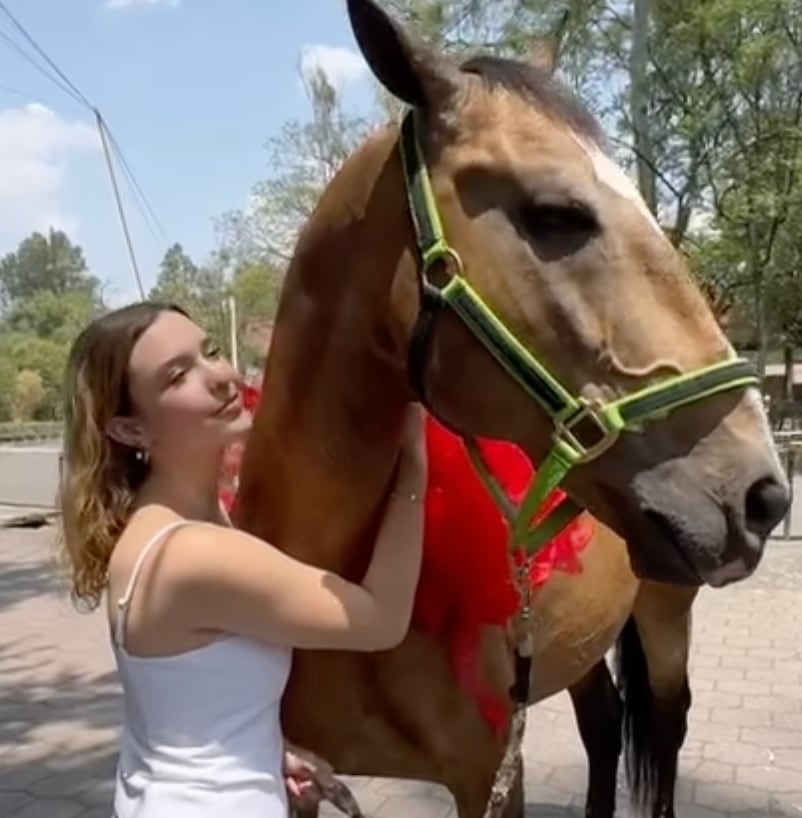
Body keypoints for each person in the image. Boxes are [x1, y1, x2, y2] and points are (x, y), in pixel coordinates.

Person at [57, 301, 427, 818]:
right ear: (130, 430)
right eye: (178, 375)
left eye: (209, 352)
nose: (221, 376)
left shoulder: (160, 527)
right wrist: (413, 471)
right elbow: (381, 619)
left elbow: (181, 706)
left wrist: (265, 752)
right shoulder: (195, 553)